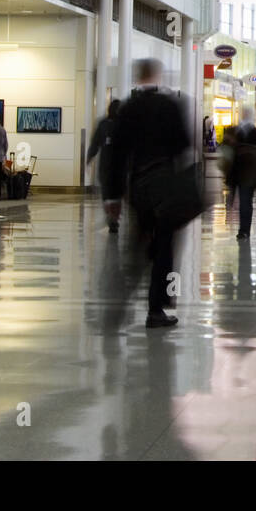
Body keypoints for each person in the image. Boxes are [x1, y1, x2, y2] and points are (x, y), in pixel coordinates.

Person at [107, 58, 194, 328]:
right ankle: (157, 308)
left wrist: (113, 195)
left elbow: (116, 154)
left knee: (138, 243)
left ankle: (119, 303)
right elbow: (183, 146)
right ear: (158, 75)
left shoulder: (128, 108)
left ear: (137, 77)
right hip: (165, 186)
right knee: (165, 248)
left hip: (138, 187)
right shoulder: (170, 105)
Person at [231, 111, 256, 240]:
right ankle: (245, 230)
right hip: (254, 174)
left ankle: (243, 231)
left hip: (242, 175)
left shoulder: (236, 133)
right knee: (247, 203)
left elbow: (231, 156)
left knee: (244, 202)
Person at [86, 98, 122, 233]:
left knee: (111, 194)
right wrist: (90, 157)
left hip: (112, 166)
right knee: (112, 194)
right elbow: (95, 143)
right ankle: (113, 217)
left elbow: (95, 143)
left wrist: (90, 157)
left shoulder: (110, 124)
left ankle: (113, 217)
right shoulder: (106, 124)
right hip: (113, 166)